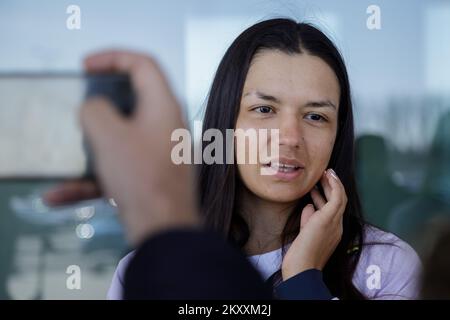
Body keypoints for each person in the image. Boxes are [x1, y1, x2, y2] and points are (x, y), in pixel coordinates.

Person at [46, 19, 422, 300]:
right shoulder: (148, 270)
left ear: (338, 135)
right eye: (263, 109)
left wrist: (304, 278)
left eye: (315, 116)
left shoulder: (388, 268)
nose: (289, 138)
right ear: (226, 122)